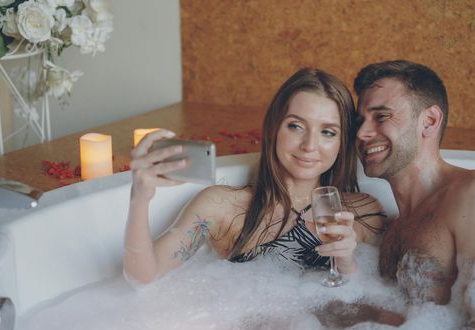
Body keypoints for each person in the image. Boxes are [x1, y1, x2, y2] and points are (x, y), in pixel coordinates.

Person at [123, 68, 387, 284]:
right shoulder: (222, 207)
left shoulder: (362, 213)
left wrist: (348, 265)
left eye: (328, 132)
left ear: (342, 142)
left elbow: (378, 303)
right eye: (296, 126)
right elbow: (144, 275)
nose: (309, 145)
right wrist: (139, 199)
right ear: (274, 129)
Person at [353, 60, 475, 330]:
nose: (361, 133)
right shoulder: (393, 228)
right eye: (359, 121)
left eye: (381, 116)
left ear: (429, 121)